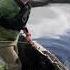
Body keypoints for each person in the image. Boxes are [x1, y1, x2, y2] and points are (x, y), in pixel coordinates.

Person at [0, 0, 31, 70]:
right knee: (15, 66)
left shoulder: (27, 6)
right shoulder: (4, 4)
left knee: (8, 63)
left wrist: (27, 34)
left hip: (14, 40)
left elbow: (22, 22)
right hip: (3, 42)